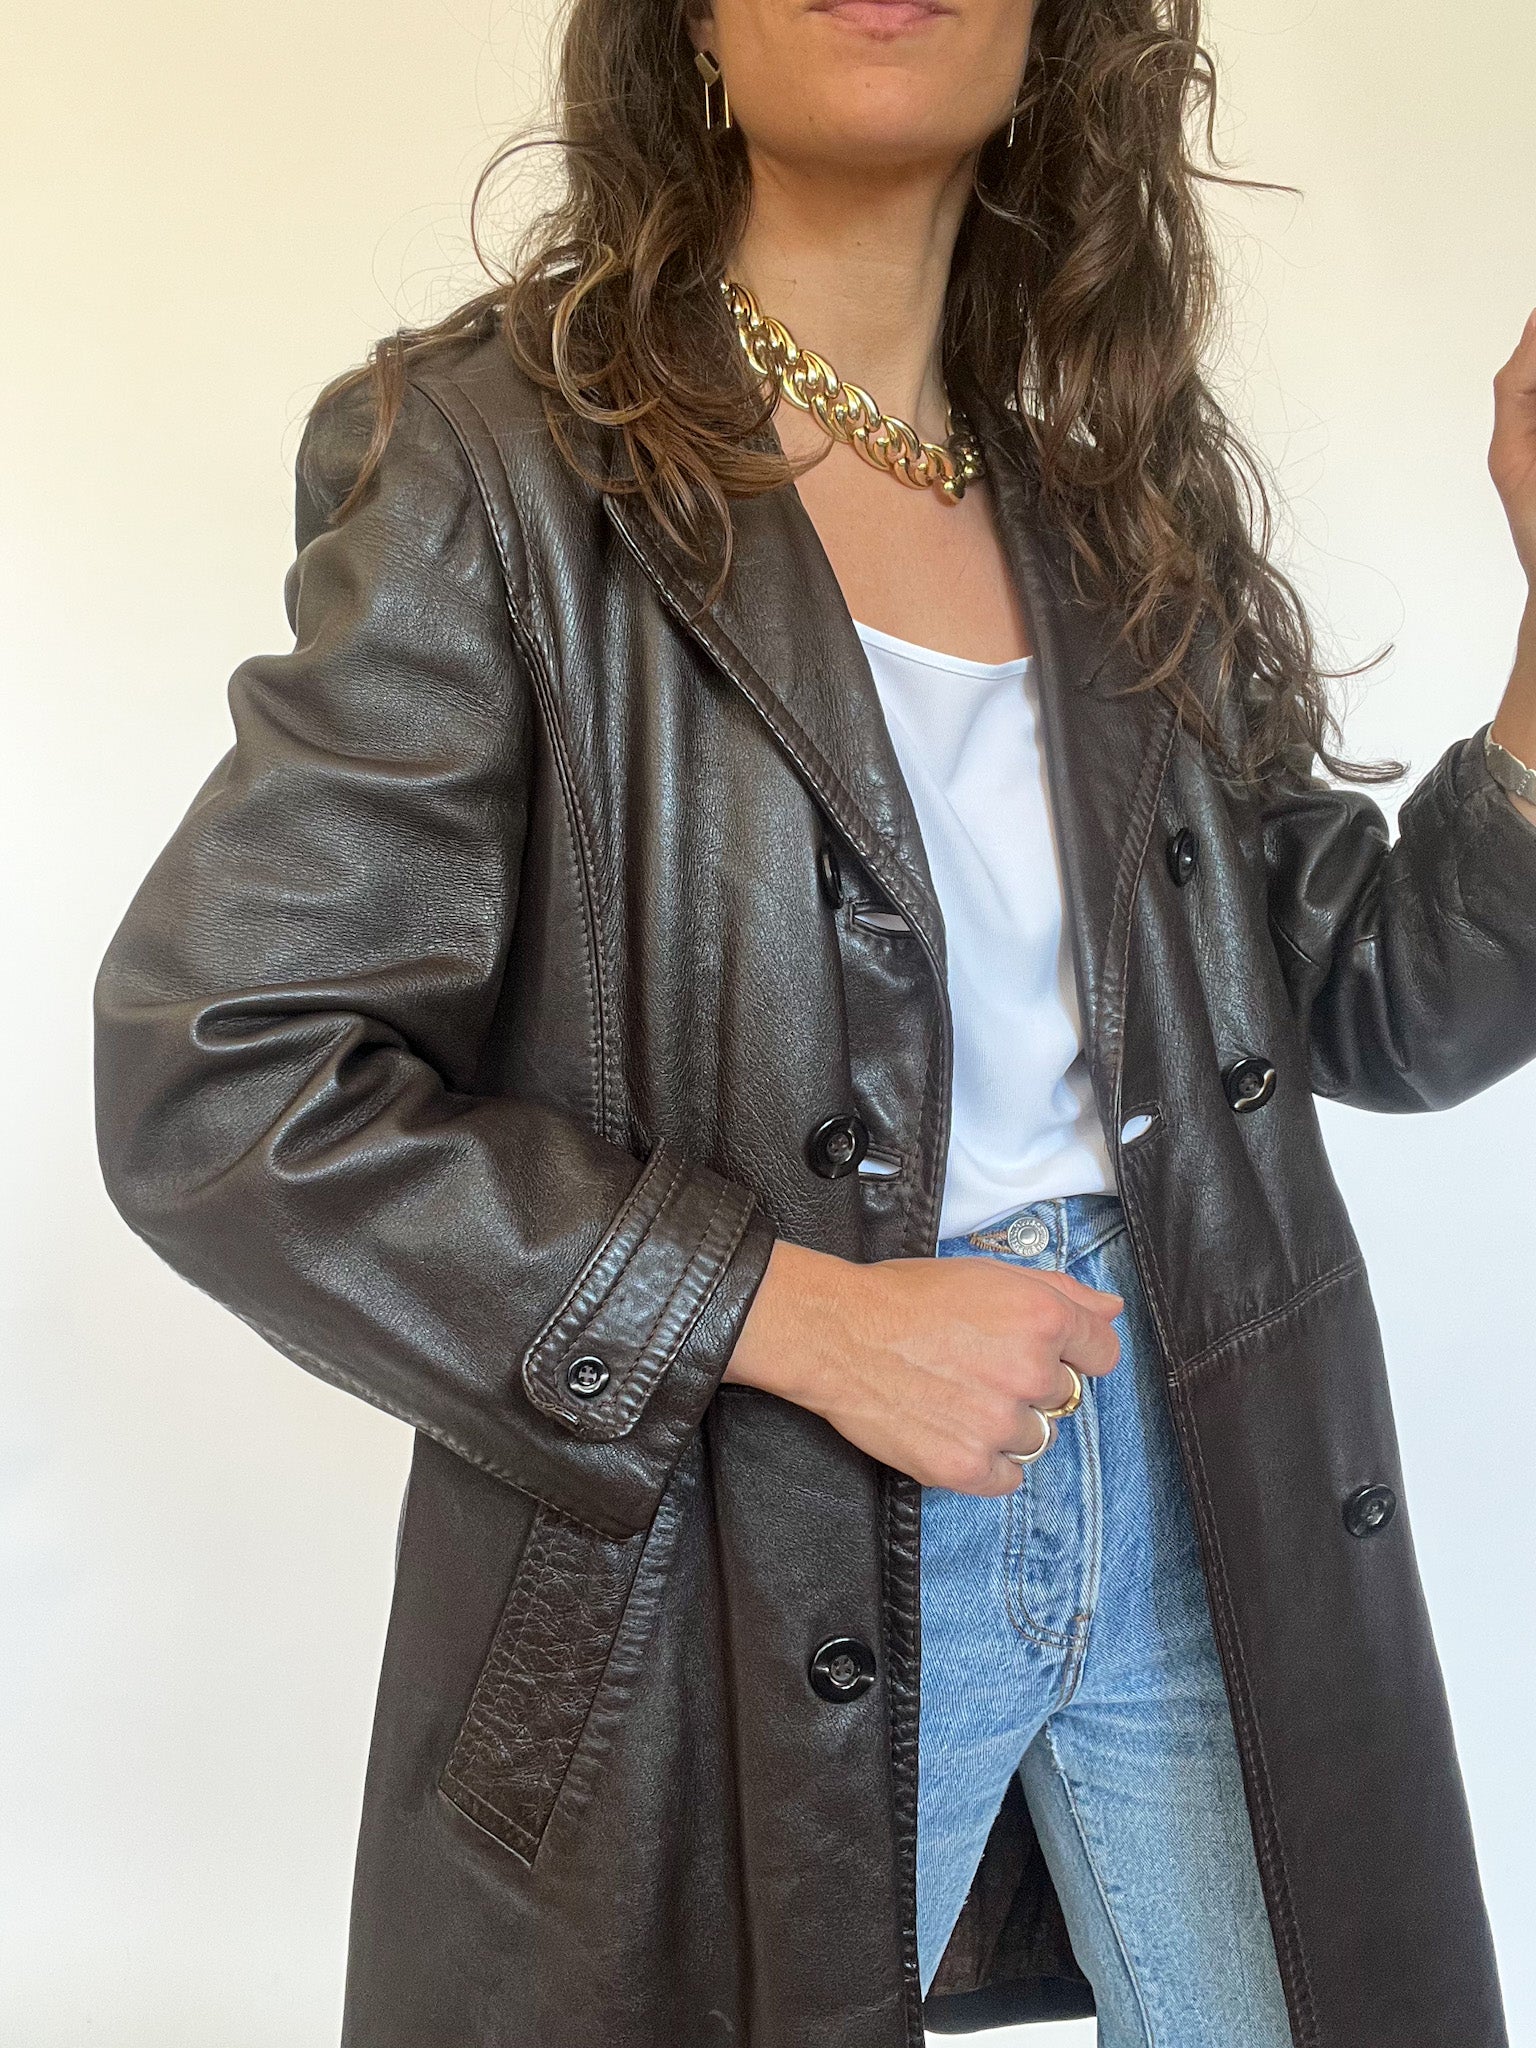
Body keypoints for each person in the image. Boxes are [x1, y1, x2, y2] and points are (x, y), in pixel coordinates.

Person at [92, 0, 1536, 2043]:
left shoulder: (1112, 502)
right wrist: (797, 1317)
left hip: (1213, 1471)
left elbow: (1386, 1005)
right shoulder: (495, 464)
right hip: (745, 1518)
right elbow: (224, 1075)